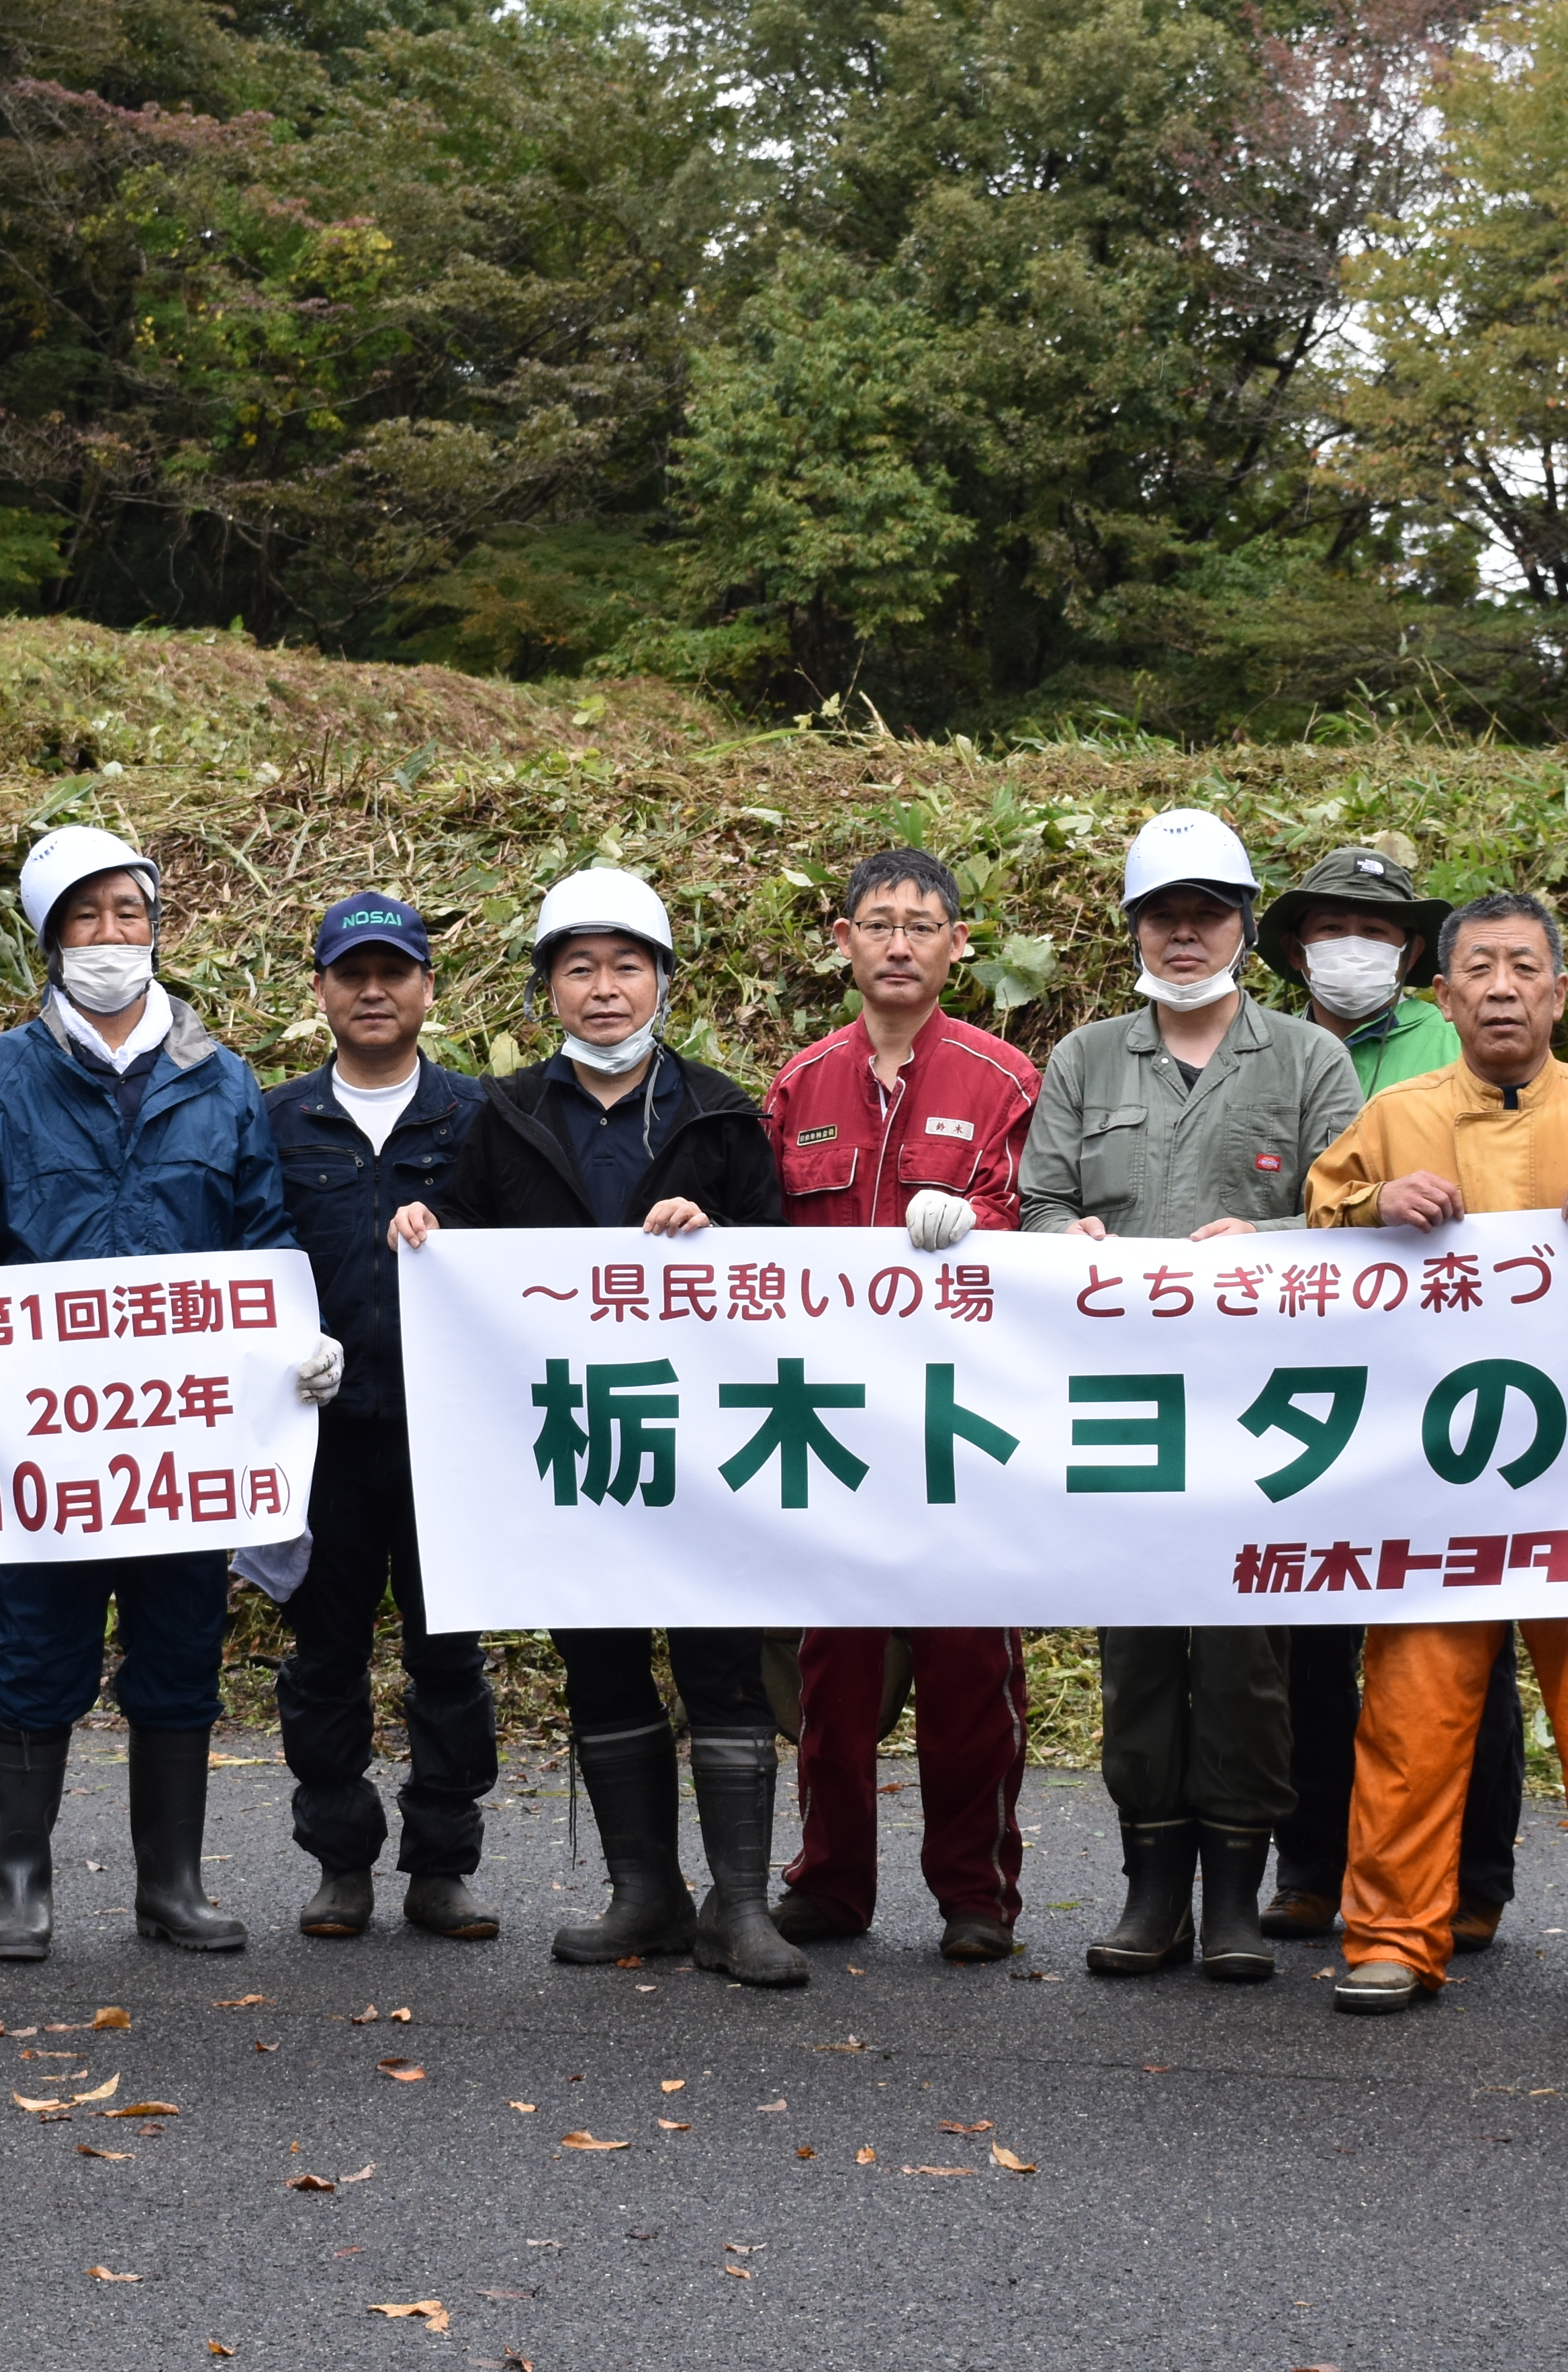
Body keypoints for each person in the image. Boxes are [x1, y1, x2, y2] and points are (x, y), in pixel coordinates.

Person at [0, 825, 334, 1960]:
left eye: (128, 914)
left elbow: (260, 1237)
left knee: (181, 1644)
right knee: (36, 1650)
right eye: (84, 918)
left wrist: (297, 1346)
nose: (110, 937)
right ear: (50, 940)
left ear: (157, 926)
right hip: (48, 1443)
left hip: (184, 1444)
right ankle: (21, 1888)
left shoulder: (221, 1076)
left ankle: (171, 1887)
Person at [385, 868, 800, 1983]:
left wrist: (715, 1232)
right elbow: (463, 1255)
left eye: (627, 967)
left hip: (709, 1446)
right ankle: (644, 1895)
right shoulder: (506, 1117)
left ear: (663, 981)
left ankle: (742, 1906)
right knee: (602, 1662)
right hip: (579, 1447)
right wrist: (429, 1227)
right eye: (580, 969)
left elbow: (791, 1275)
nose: (604, 990)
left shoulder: (720, 1114)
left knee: (722, 1666)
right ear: (548, 989)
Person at [1305, 892, 1568, 2022]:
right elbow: (1312, 1247)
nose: (1502, 988)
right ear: (1446, 995)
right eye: (1479, 969)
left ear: (1562, 992)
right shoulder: (1393, 1115)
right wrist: (1378, 1203)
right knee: (1413, 1713)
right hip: (1435, 1472)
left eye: (1526, 967)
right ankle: (1389, 1936)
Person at [1021, 809, 1363, 1985]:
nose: (1183, 935)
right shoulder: (1085, 1059)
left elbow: (1345, 1215)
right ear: (1133, 927)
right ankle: (1149, 1883)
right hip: (1124, 1405)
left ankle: (1231, 1890)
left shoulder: (1312, 1060)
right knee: (1139, 1647)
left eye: (1207, 913)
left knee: (1245, 1655)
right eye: (1162, 915)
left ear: (1245, 924)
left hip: (1261, 1411)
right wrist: (1078, 1240)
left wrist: (1259, 1239)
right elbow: (1041, 1207)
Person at [761, 848, 1041, 1962]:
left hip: (959, 1419)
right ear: (843, 942)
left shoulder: (1005, 1078)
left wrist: (985, 1226)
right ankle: (831, 1882)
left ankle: (976, 1894)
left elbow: (1038, 1232)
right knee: (832, 1666)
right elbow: (764, 1251)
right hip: (831, 1417)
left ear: (958, 947)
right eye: (877, 924)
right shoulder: (800, 1083)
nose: (898, 943)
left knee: (972, 1664)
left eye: (922, 926)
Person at [1256, 842, 1525, 1952]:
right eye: (1328, 929)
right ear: (1297, 947)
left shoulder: (1456, 1046)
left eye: (1374, 930)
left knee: (1464, 1629)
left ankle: (1477, 1871)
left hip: (1446, 1375)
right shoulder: (1265, 1051)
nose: (1350, 949)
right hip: (1308, 1375)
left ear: (1416, 953)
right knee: (1309, 1631)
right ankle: (1315, 1862)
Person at [257, 894, 500, 1945]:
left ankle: (442, 1866)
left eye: (393, 973)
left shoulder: (485, 1117)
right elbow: (238, 1261)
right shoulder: (272, 1120)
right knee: (324, 1655)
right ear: (318, 990)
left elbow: (527, 1259)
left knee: (450, 1658)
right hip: (323, 1437)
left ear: (427, 991)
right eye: (350, 974)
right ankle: (340, 1861)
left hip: (450, 1440)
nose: (371, 991)